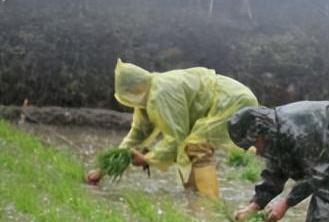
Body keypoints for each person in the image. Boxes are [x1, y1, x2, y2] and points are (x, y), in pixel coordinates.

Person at [85, 59, 258, 198]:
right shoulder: (145, 100)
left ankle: (208, 203)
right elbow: (136, 136)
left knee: (196, 147)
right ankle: (193, 197)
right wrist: (102, 170)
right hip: (220, 102)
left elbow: (175, 138)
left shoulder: (161, 92)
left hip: (232, 101)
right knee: (185, 150)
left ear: (135, 88)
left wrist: (148, 159)